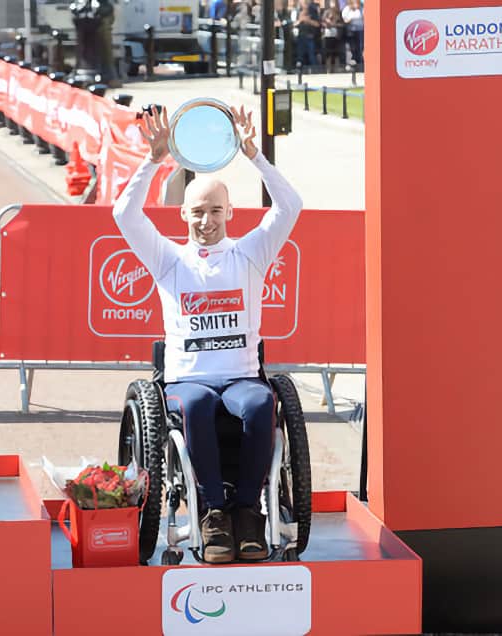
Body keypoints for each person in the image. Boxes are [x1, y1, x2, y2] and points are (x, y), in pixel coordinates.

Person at [112, 106, 302, 564]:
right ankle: (213, 514)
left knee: (260, 404)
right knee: (195, 406)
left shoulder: (250, 253)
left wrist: (254, 156)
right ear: (183, 213)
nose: (207, 219)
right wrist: (153, 160)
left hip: (241, 379)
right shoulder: (169, 260)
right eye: (198, 211)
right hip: (187, 381)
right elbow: (124, 213)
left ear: (230, 212)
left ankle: (247, 515)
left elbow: (291, 205)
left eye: (216, 210)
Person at [341, 0, 362, 69]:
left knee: (359, 47)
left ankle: (359, 63)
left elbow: (363, 17)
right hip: (350, 31)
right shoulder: (346, 9)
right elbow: (345, 20)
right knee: (351, 47)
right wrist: (351, 19)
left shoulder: (360, 9)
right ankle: (351, 63)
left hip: (360, 30)